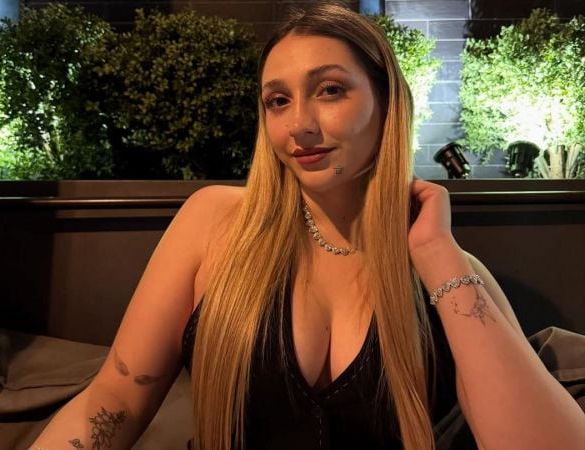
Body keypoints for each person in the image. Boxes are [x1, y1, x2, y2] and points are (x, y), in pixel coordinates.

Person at [30, 3, 584, 450]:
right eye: (278, 101)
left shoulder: (450, 275)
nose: (299, 124)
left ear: (387, 103)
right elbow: (117, 399)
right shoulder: (216, 223)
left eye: (330, 90)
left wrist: (437, 252)